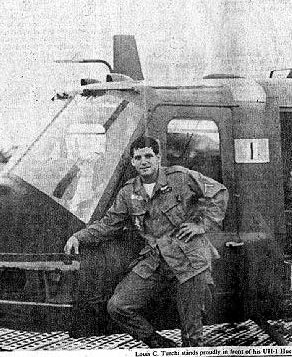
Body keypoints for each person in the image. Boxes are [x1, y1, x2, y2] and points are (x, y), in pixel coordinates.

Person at [64, 136, 228, 348]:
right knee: (118, 306)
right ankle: (160, 346)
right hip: (155, 260)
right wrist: (78, 236)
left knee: (191, 332)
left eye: (149, 156)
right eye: (138, 157)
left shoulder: (180, 177)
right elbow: (109, 224)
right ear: (133, 162)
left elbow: (219, 192)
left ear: (158, 157)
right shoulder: (128, 192)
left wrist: (202, 225)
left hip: (190, 260)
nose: (144, 161)